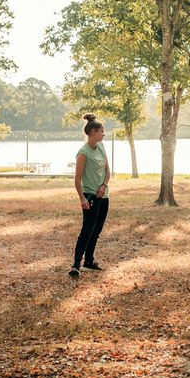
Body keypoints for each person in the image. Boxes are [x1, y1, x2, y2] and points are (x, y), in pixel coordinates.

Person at [70, 113, 111, 278]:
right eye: (102, 131)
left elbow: (108, 171)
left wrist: (104, 185)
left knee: (96, 230)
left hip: (104, 195)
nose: (103, 134)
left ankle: (89, 262)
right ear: (94, 131)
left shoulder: (101, 147)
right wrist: (82, 198)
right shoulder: (83, 153)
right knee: (87, 230)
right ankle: (76, 265)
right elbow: (77, 179)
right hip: (90, 197)